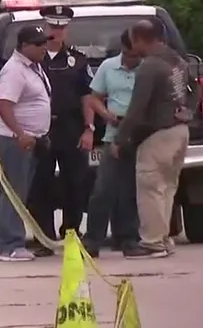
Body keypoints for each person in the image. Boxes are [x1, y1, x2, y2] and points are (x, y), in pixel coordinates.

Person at [113, 20, 191, 259]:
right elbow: (194, 89)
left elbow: (138, 106)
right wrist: (189, 111)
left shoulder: (150, 66)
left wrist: (120, 138)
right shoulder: (177, 61)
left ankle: (152, 242)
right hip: (180, 130)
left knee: (150, 188)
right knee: (167, 187)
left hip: (158, 133)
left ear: (138, 39)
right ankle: (163, 238)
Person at [26, 5, 94, 258]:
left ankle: (72, 233)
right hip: (40, 129)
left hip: (70, 127)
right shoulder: (33, 60)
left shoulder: (78, 60)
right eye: (52, 26)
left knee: (75, 183)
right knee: (39, 183)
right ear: (45, 28)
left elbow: (87, 97)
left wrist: (89, 128)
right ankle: (43, 237)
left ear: (67, 30)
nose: (56, 32)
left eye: (61, 27)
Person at [0, 26, 52, 261]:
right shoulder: (15, 71)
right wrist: (20, 133)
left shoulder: (33, 68)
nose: (43, 48)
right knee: (14, 192)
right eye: (38, 45)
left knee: (22, 190)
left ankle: (13, 242)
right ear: (24, 46)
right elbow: (5, 104)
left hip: (30, 138)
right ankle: (9, 245)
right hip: (15, 139)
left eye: (44, 43)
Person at [82, 30, 142, 258]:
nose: (131, 60)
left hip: (140, 135)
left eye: (136, 56)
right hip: (114, 133)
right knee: (103, 189)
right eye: (128, 55)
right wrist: (107, 115)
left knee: (131, 190)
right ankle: (92, 240)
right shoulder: (108, 67)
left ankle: (128, 239)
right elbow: (93, 97)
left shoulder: (146, 69)